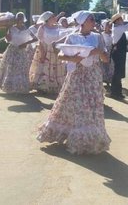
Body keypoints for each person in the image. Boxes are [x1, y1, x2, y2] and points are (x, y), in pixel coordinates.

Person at [36, 11, 111, 155]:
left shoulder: (97, 37)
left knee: (91, 106)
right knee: (73, 103)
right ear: (82, 22)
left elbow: (105, 59)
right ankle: (69, 134)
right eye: (91, 19)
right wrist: (73, 59)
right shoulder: (72, 37)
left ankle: (90, 140)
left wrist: (98, 51)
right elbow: (60, 54)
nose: (93, 22)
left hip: (92, 77)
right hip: (76, 75)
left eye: (93, 20)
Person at [0, 12, 37, 94]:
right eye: (18, 18)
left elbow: (35, 39)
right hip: (12, 50)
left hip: (21, 51)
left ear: (23, 19)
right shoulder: (11, 28)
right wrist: (7, 34)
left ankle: (20, 87)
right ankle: (9, 86)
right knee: (10, 67)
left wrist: (25, 44)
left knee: (21, 68)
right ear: (16, 19)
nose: (20, 20)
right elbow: (8, 40)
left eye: (21, 18)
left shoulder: (26, 30)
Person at [29, 11, 66, 94]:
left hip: (55, 50)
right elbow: (40, 41)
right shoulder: (42, 27)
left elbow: (63, 37)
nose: (55, 18)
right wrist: (42, 53)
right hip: (45, 49)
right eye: (53, 17)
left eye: (54, 17)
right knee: (44, 66)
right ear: (48, 19)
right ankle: (42, 86)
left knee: (56, 68)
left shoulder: (58, 27)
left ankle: (55, 86)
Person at [109, 13, 128, 100]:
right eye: (121, 19)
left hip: (119, 52)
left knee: (118, 73)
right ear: (117, 21)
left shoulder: (117, 28)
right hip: (118, 53)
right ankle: (115, 92)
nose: (122, 20)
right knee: (117, 73)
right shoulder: (118, 29)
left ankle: (117, 92)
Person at [101, 19, 114, 89]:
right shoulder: (102, 35)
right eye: (108, 25)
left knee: (111, 66)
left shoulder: (113, 33)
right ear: (104, 26)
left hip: (112, 52)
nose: (109, 26)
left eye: (110, 25)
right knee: (104, 66)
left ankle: (110, 80)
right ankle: (105, 80)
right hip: (104, 52)